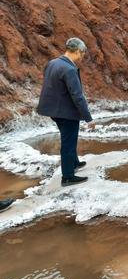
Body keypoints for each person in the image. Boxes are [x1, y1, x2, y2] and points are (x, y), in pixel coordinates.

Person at [37, 37, 95, 187]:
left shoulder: (53, 63)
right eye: (82, 54)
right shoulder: (69, 69)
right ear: (77, 51)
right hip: (65, 112)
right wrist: (89, 118)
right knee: (69, 141)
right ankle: (68, 176)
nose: (82, 58)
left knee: (68, 137)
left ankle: (74, 162)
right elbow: (77, 96)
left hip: (53, 110)